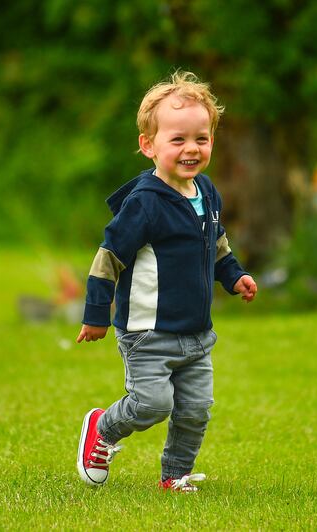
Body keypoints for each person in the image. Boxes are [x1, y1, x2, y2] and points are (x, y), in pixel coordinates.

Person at [75, 71, 257, 493]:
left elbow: (216, 243)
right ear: (148, 146)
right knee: (152, 404)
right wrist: (96, 315)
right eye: (177, 140)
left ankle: (174, 477)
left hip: (197, 333)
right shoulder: (144, 205)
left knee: (195, 410)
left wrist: (236, 276)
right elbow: (108, 259)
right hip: (146, 334)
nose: (191, 149)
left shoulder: (207, 192)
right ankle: (102, 427)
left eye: (202, 138)